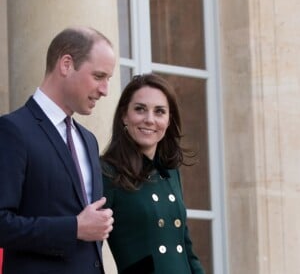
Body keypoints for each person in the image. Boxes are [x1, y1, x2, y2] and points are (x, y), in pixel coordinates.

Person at [0, 27, 116, 274]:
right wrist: (73, 228)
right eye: (98, 76)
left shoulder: (89, 140)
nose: (105, 90)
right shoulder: (13, 130)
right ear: (66, 64)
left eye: (109, 79)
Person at [101, 73, 205, 274]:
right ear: (124, 115)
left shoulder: (170, 172)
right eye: (140, 109)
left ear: (168, 120)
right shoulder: (106, 171)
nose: (149, 120)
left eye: (159, 112)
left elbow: (185, 247)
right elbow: (89, 248)